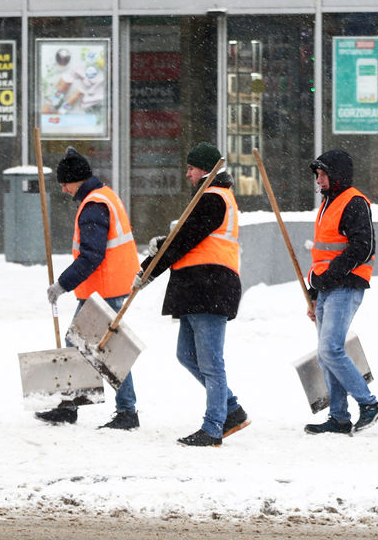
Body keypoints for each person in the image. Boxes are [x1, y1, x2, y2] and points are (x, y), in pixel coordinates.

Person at [138, 142, 249, 447]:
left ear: (205, 170)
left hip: (211, 285)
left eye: (191, 168)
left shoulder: (213, 197)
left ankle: (213, 427)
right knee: (187, 355)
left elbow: (184, 240)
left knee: (211, 362)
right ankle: (231, 410)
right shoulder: (205, 197)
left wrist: (149, 270)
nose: (187, 174)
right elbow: (185, 238)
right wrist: (159, 249)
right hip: (195, 287)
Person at [37, 147, 142, 430]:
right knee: (101, 347)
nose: (63, 189)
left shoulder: (94, 205)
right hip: (109, 286)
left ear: (77, 180)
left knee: (98, 348)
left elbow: (91, 256)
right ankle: (82, 406)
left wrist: (62, 284)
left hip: (105, 288)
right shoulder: (103, 196)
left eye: (65, 183)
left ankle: (121, 412)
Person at [304, 150, 378, 436]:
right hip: (328, 287)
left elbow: (363, 247)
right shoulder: (328, 204)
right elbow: (324, 254)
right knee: (326, 354)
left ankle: (369, 404)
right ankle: (338, 417)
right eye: (318, 175)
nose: (319, 180)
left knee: (331, 349)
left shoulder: (354, 202)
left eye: (323, 175)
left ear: (337, 175)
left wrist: (330, 275)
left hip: (346, 285)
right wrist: (315, 291)